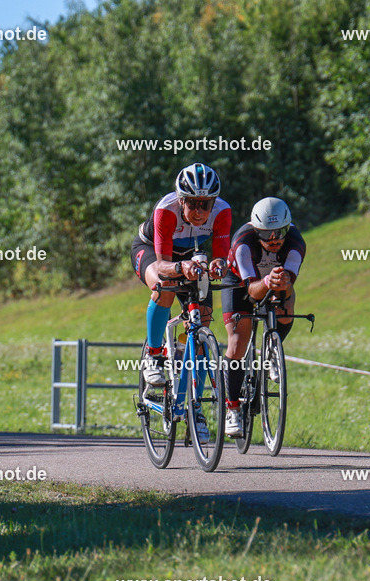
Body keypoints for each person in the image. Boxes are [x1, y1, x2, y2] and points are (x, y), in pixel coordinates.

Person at [130, 163, 231, 439]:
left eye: (205, 205)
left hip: (192, 257)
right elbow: (163, 264)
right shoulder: (166, 210)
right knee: (165, 287)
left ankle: (194, 407)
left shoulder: (223, 211)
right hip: (153, 253)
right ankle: (154, 355)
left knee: (203, 321)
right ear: (181, 200)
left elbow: (221, 256)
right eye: (193, 204)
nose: (199, 211)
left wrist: (219, 265)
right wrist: (180, 267)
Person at [221, 197, 306, 437]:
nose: (274, 239)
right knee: (238, 342)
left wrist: (281, 284)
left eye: (280, 232)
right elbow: (251, 292)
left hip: (273, 280)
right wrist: (268, 281)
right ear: (256, 230)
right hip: (240, 283)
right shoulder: (243, 243)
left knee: (287, 307)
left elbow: (287, 287)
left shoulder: (296, 243)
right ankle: (232, 409)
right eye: (267, 234)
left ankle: (271, 351)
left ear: (288, 228)